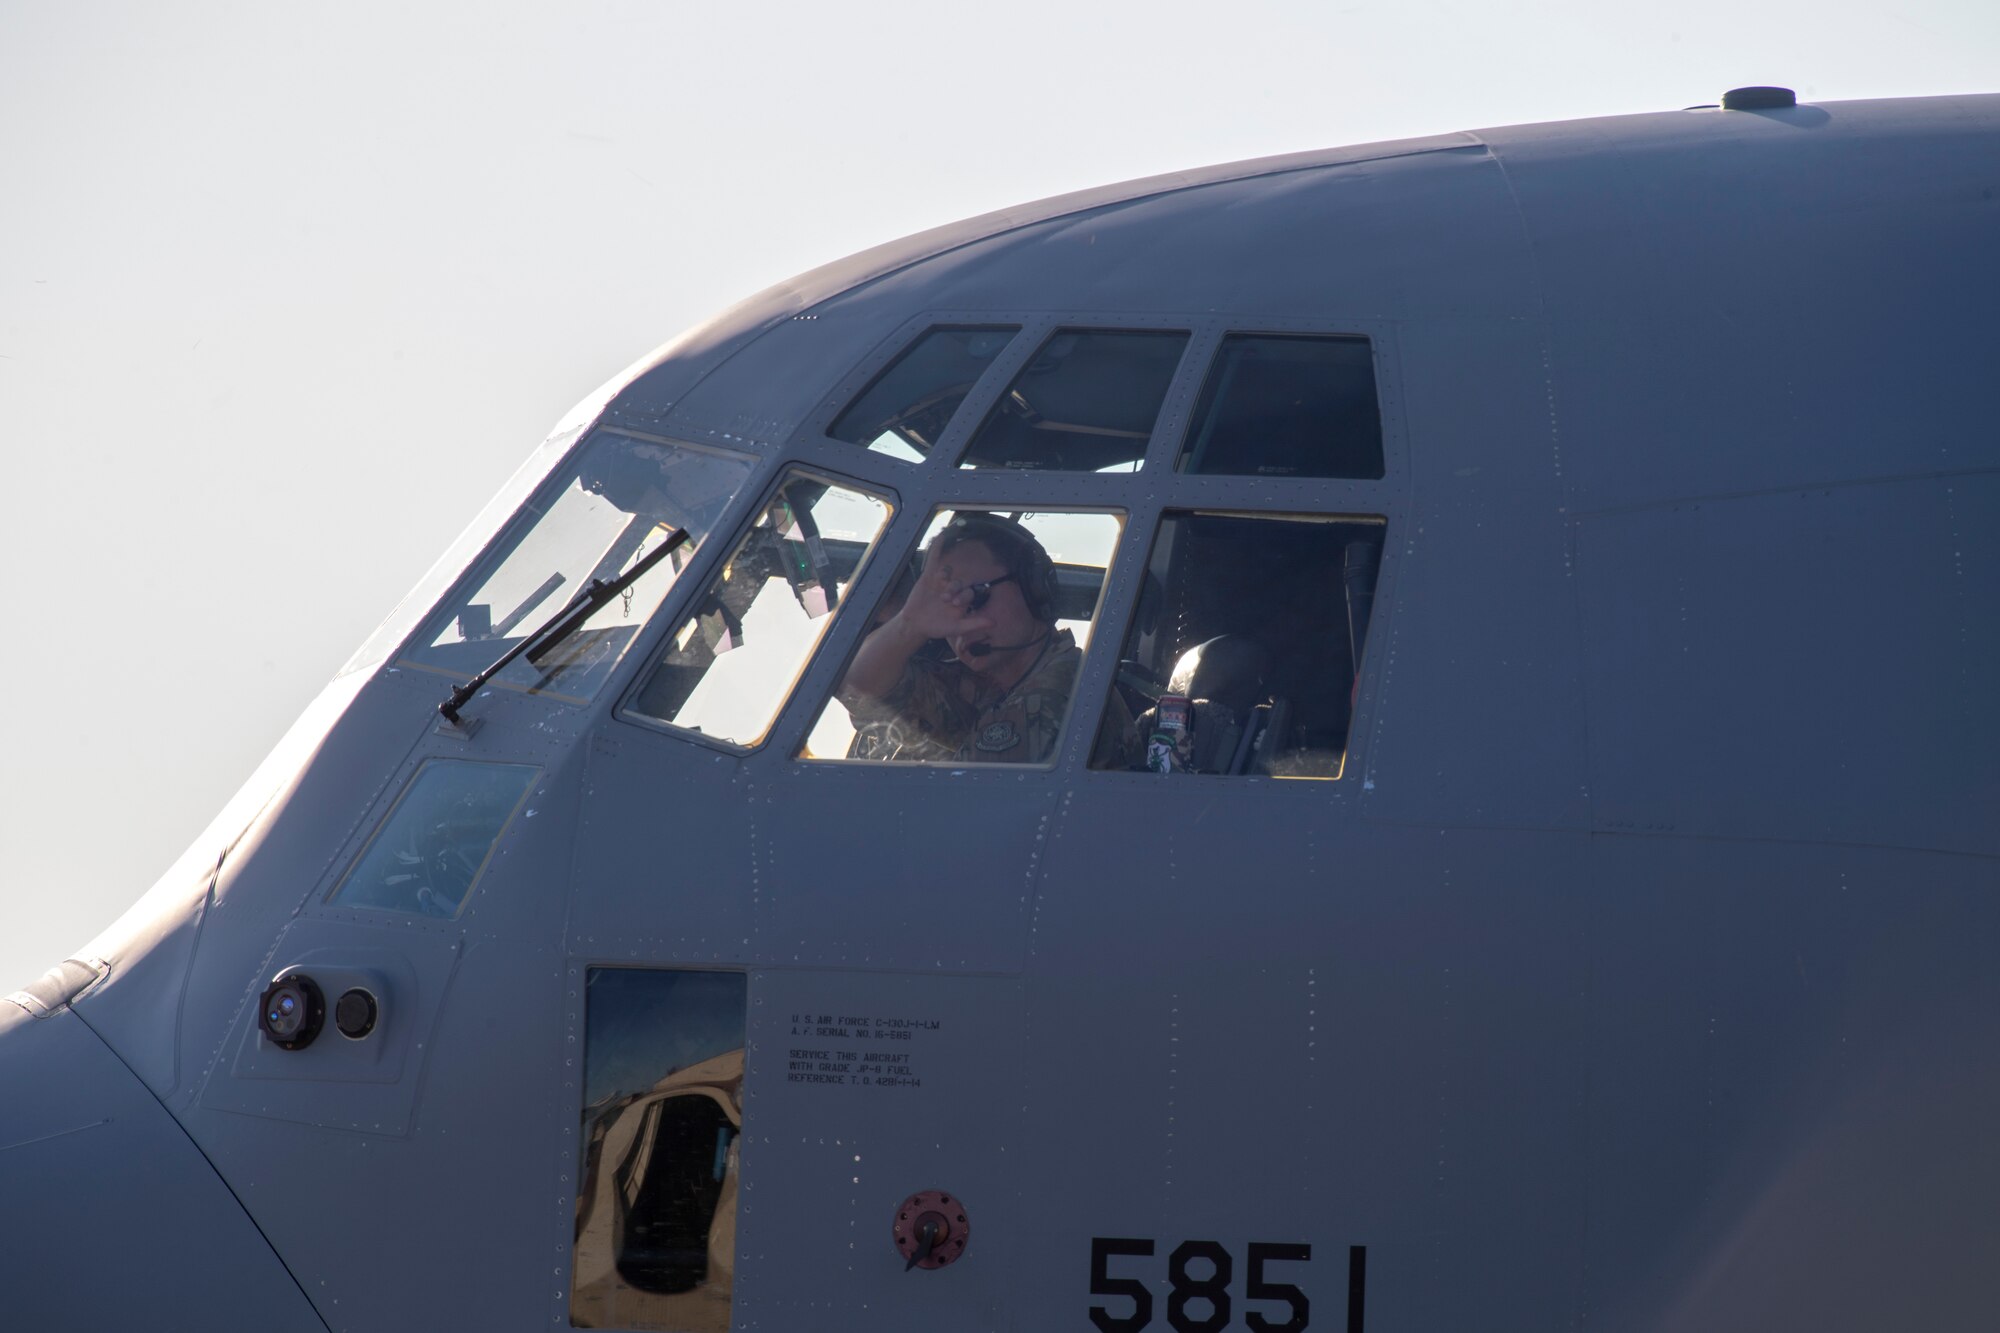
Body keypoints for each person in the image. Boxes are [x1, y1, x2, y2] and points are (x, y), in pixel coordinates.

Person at [837, 513, 1078, 764]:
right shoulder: (997, 688)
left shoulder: (1050, 700)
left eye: (974, 596)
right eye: (944, 604)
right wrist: (909, 624)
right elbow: (856, 686)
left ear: (1035, 587)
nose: (956, 621)